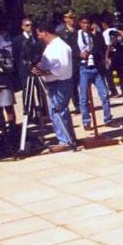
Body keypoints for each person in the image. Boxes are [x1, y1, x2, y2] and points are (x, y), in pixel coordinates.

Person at [31, 21, 76, 152]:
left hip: (61, 82)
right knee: (55, 111)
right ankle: (66, 138)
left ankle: (66, 140)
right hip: (53, 82)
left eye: (39, 34)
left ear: (45, 32)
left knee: (59, 110)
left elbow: (62, 67)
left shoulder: (60, 46)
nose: (38, 37)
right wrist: (39, 67)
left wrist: (45, 72)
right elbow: (47, 64)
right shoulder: (50, 47)